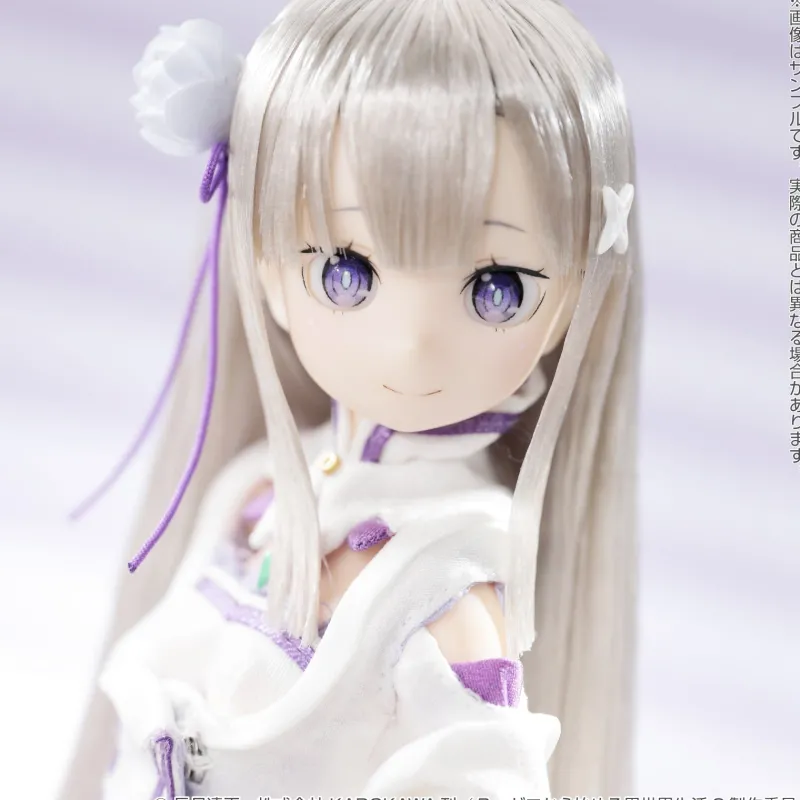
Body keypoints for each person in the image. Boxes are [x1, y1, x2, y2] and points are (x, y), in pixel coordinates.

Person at [59, 1, 641, 797]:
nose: (412, 343)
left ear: (570, 299)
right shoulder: (255, 489)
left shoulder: (446, 583)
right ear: (265, 265)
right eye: (347, 273)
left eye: (497, 288)